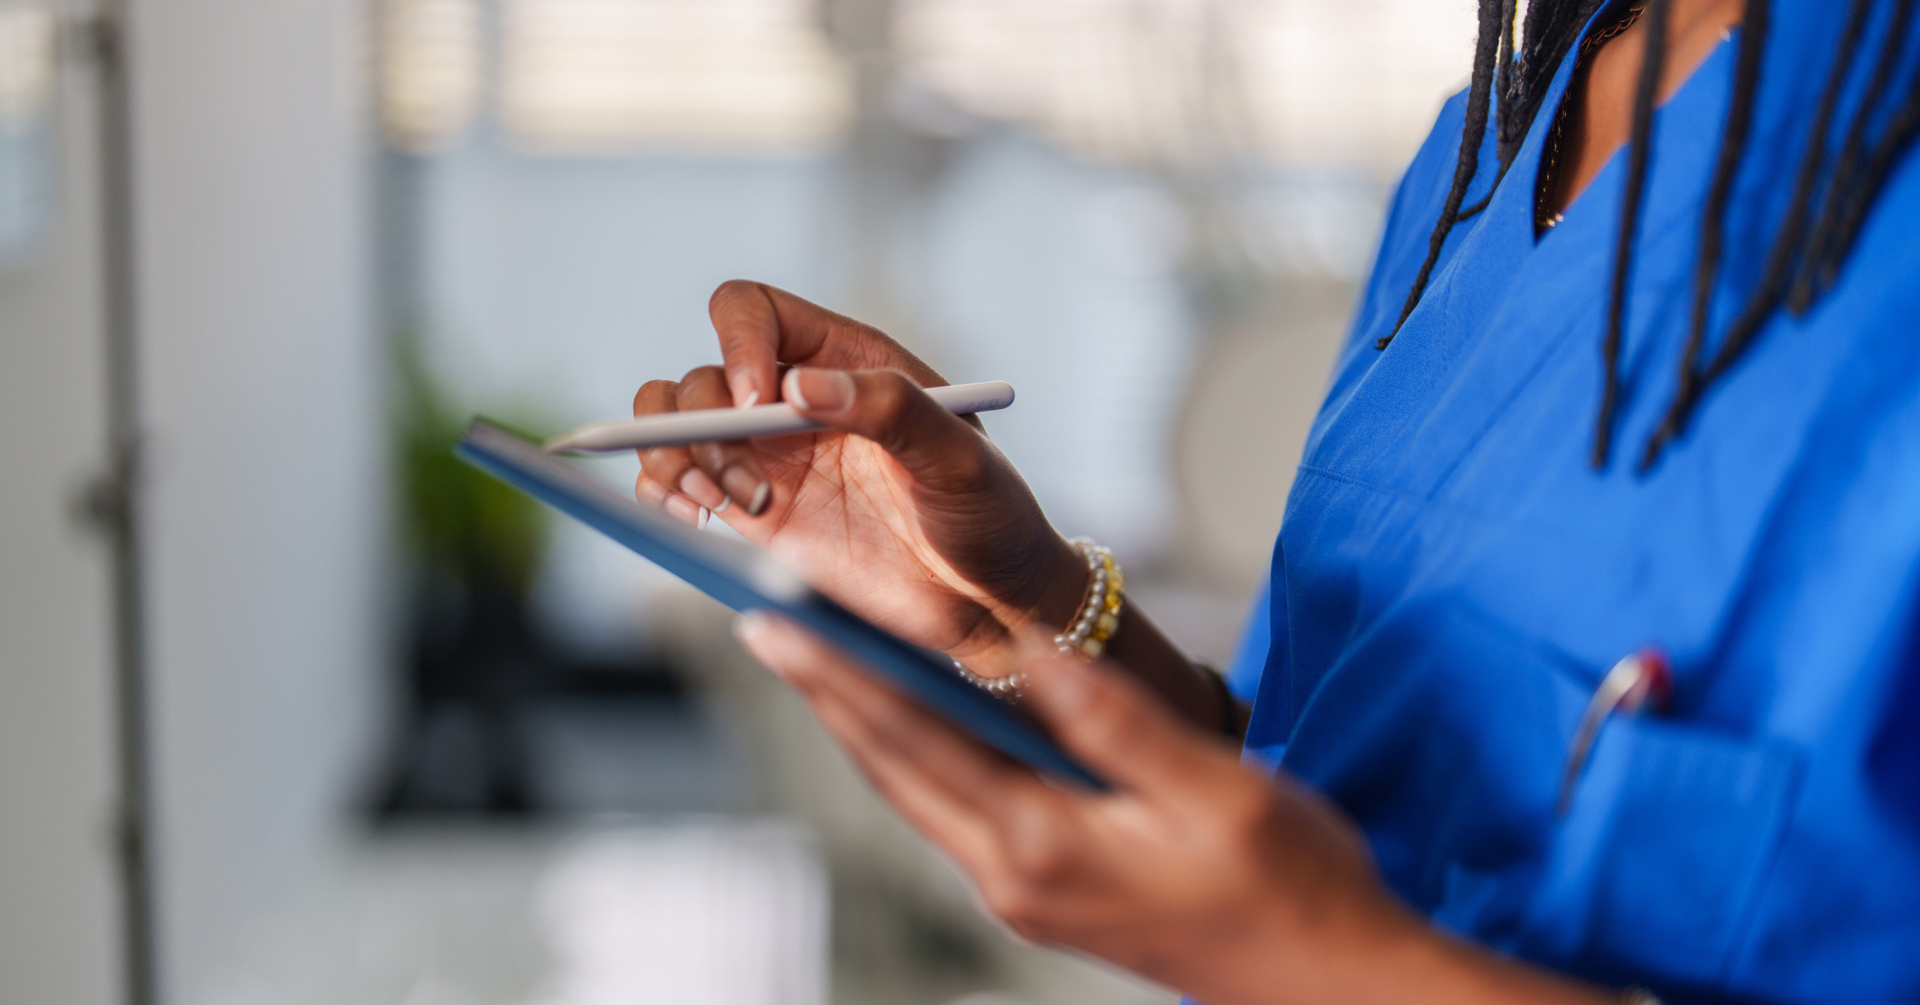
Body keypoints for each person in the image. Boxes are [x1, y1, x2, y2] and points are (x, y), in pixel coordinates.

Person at [630, 0, 1920, 1001]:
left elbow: (1330, 926)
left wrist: (1350, 972)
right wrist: (1007, 603)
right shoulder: (1481, 162)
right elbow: (1311, 787)